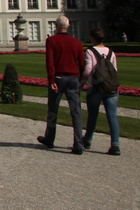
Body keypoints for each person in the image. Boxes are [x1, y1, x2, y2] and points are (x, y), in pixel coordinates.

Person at [37, 15, 85, 154]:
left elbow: (50, 62)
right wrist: (81, 79)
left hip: (58, 78)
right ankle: (78, 144)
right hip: (73, 79)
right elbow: (82, 63)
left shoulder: (51, 41)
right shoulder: (76, 42)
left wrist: (51, 80)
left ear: (56, 26)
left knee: (53, 110)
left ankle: (50, 139)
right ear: (68, 26)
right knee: (76, 112)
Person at [82, 27, 121, 156]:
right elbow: (114, 69)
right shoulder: (111, 51)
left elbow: (88, 70)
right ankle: (115, 145)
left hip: (96, 87)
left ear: (92, 38)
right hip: (111, 88)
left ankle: (87, 140)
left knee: (93, 116)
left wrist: (82, 82)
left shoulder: (90, 51)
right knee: (112, 116)